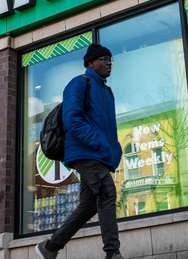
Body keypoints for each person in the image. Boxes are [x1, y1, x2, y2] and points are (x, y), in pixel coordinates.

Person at [36, 44, 124, 259]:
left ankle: (51, 247)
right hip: (85, 152)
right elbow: (72, 119)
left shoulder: (106, 91)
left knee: (89, 206)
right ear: (90, 62)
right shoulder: (79, 83)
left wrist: (113, 148)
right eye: (104, 58)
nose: (109, 62)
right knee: (106, 193)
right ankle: (113, 253)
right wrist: (96, 142)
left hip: (98, 153)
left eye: (110, 59)